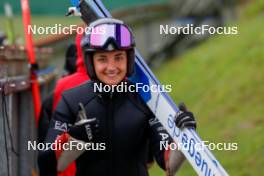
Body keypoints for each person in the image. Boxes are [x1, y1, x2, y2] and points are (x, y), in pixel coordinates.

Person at [44, 18, 197, 176]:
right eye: (102, 59)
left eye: (118, 57)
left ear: (129, 59)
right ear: (91, 62)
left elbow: (169, 164)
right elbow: (47, 164)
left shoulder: (146, 99)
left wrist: (183, 137)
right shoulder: (71, 100)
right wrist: (73, 140)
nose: (111, 67)